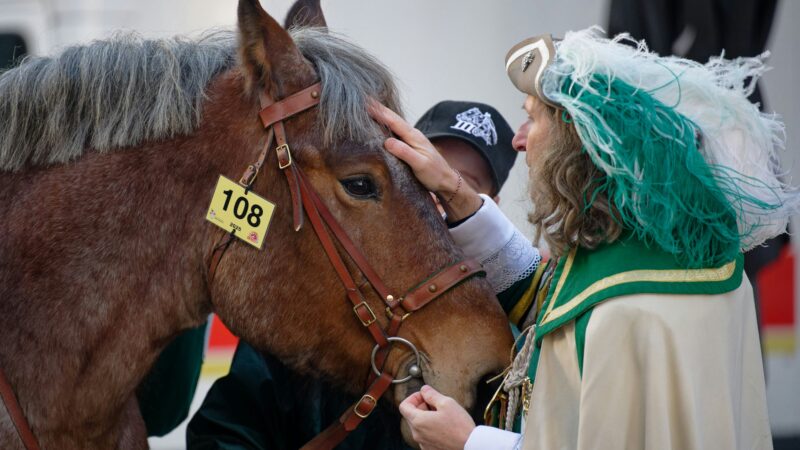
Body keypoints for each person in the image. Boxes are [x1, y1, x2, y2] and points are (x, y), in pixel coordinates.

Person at [371, 27, 793, 450]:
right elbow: (552, 297)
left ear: (579, 138)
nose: (518, 141)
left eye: (532, 118)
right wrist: (454, 190)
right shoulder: (660, 258)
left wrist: (468, 442)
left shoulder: (626, 310)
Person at [185, 100, 527, 450]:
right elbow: (225, 432)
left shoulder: (498, 338)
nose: (438, 197)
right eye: (428, 173)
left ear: (491, 206)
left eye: (460, 186)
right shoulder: (326, 286)